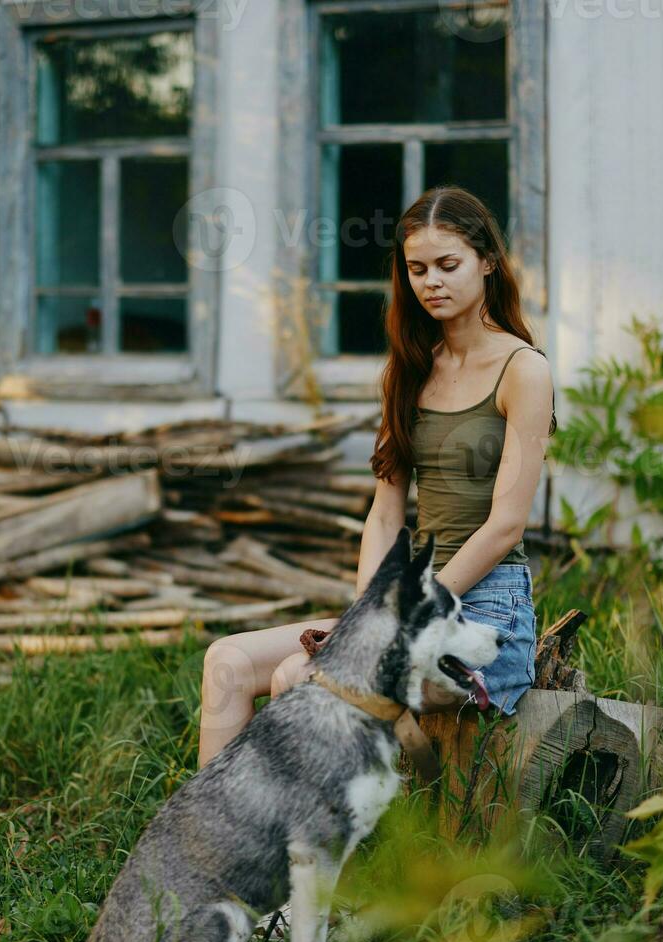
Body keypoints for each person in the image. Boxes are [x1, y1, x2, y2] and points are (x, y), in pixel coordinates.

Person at [197, 184, 557, 770]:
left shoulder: (524, 371)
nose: (431, 282)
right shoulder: (409, 369)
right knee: (227, 660)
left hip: (486, 612)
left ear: (488, 262)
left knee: (300, 674)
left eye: (448, 265)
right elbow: (385, 513)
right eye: (417, 269)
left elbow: (505, 526)